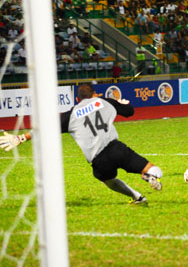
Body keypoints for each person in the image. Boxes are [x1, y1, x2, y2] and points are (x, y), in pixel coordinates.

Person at [0, 84, 163, 203]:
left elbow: (45, 129)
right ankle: (150, 175)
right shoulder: (104, 102)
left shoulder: (69, 116)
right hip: (116, 149)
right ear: (94, 95)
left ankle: (137, 197)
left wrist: (21, 138)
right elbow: (129, 112)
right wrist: (123, 104)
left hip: (98, 160)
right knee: (154, 168)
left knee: (109, 180)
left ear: (77, 99)